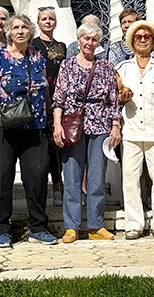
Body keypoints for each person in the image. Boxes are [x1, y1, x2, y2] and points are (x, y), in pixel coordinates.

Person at [0, 14, 57, 247]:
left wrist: (50, 119)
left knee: (37, 177)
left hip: (35, 127)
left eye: (24, 27)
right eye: (16, 27)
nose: (20, 31)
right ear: (9, 32)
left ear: (30, 32)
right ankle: (1, 229)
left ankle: (38, 227)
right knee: (1, 177)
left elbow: (44, 89)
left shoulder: (37, 57)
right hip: (5, 126)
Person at [52, 23, 121, 243]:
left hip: (100, 125)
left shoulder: (106, 67)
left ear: (98, 43)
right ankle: (71, 226)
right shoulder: (68, 65)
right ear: (79, 41)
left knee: (97, 177)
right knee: (71, 176)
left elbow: (113, 100)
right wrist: (57, 124)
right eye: (86, 39)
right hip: (73, 125)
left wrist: (116, 125)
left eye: (93, 40)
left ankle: (95, 225)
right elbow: (59, 98)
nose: (89, 43)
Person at [116, 20, 154, 240]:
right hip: (130, 131)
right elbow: (117, 97)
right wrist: (122, 97)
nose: (142, 39)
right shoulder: (122, 68)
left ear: (153, 42)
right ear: (132, 42)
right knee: (130, 179)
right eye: (138, 37)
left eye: (146, 37)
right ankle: (134, 224)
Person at [31, 6, 68, 206]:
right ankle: (41, 188)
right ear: (38, 22)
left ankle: (57, 186)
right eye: (44, 19)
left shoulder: (61, 46)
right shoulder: (32, 45)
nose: (48, 22)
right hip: (39, 100)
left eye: (51, 19)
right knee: (41, 147)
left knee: (57, 146)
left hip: (58, 99)